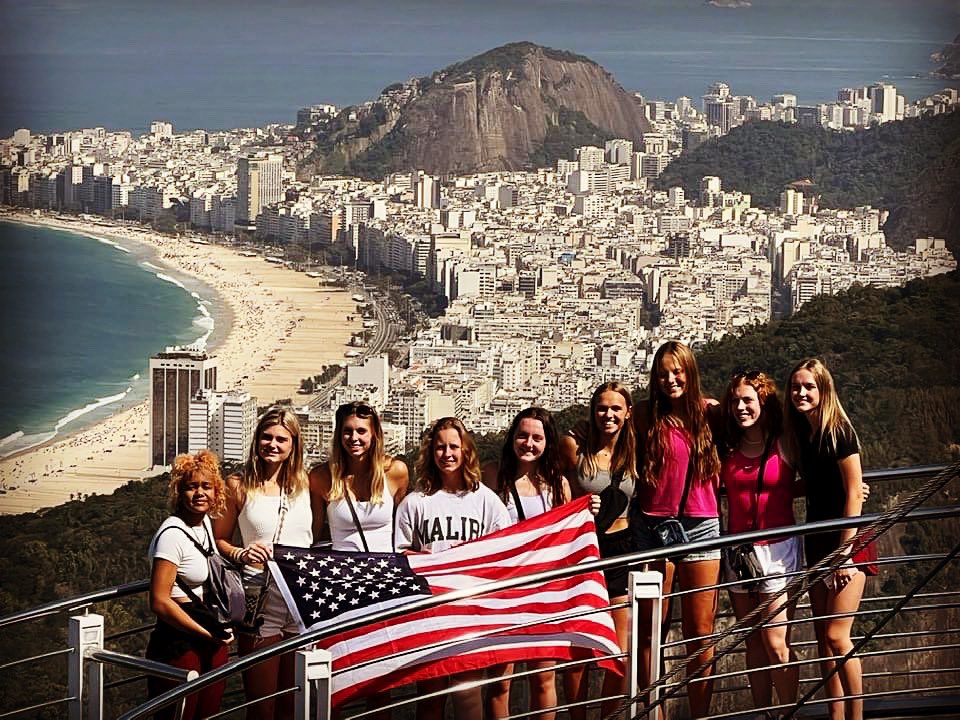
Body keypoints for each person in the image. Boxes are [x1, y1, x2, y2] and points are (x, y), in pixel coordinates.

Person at [394, 416, 511, 720]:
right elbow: (400, 552)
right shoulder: (415, 502)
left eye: (454, 447)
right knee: (430, 694)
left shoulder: (485, 500)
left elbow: (503, 550)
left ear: (465, 450)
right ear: (430, 452)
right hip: (429, 608)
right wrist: (423, 560)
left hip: (471, 607)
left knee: (467, 690)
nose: (447, 454)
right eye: (440, 447)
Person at [630, 340, 722, 719]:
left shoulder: (711, 414)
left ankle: (699, 714)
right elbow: (600, 437)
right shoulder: (643, 415)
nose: (670, 380)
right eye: (663, 374)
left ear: (690, 373)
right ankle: (656, 713)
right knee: (651, 630)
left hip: (700, 525)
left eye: (677, 372)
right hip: (652, 526)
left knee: (699, 632)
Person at [214, 408, 320, 720]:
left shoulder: (307, 484)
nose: (272, 444)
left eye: (281, 439)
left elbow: (315, 536)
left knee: (292, 703)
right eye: (266, 437)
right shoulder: (237, 485)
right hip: (259, 598)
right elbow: (220, 539)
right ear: (256, 439)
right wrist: (242, 554)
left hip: (300, 597)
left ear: (293, 445)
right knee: (262, 706)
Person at [783, 358, 866, 720]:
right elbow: (817, 484)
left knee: (836, 636)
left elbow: (853, 492)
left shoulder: (838, 432)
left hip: (846, 541)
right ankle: (836, 715)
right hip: (817, 538)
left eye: (808, 387)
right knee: (823, 640)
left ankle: (856, 715)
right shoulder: (805, 434)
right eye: (795, 387)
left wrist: (844, 553)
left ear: (824, 390)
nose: (800, 393)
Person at [482, 407, 572, 720]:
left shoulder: (558, 485)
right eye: (523, 436)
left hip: (544, 591)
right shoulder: (492, 476)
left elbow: (565, 539)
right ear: (512, 438)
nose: (529, 444)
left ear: (548, 442)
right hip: (502, 590)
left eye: (537, 437)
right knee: (499, 681)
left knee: (543, 678)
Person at [720, 370, 801, 711]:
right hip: (739, 552)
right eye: (735, 401)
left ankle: (788, 711)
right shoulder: (727, 447)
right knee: (752, 642)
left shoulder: (785, 443)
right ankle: (763, 712)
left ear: (763, 402)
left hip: (778, 549)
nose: (741, 407)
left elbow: (820, 474)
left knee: (776, 642)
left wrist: (854, 487)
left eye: (748, 400)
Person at [560, 382, 638, 720]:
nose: (608, 414)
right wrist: (579, 506)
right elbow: (558, 492)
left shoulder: (635, 451)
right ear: (592, 411)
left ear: (628, 413)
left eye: (616, 408)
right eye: (602, 408)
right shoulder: (574, 447)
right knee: (578, 651)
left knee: (619, 652)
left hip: (622, 549)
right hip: (585, 549)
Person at [146, 449, 232, 720]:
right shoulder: (172, 535)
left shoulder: (204, 524)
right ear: (179, 492)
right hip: (179, 640)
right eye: (191, 487)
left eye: (207, 486)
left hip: (210, 632)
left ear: (216, 491)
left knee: (207, 712)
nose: (199, 493)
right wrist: (205, 633)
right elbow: (159, 600)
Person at [309, 401, 409, 552]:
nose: (354, 438)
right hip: (341, 565)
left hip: (384, 565)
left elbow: (403, 527)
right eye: (347, 431)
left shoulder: (395, 472)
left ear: (374, 434)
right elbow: (313, 533)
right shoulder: (322, 477)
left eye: (361, 431)